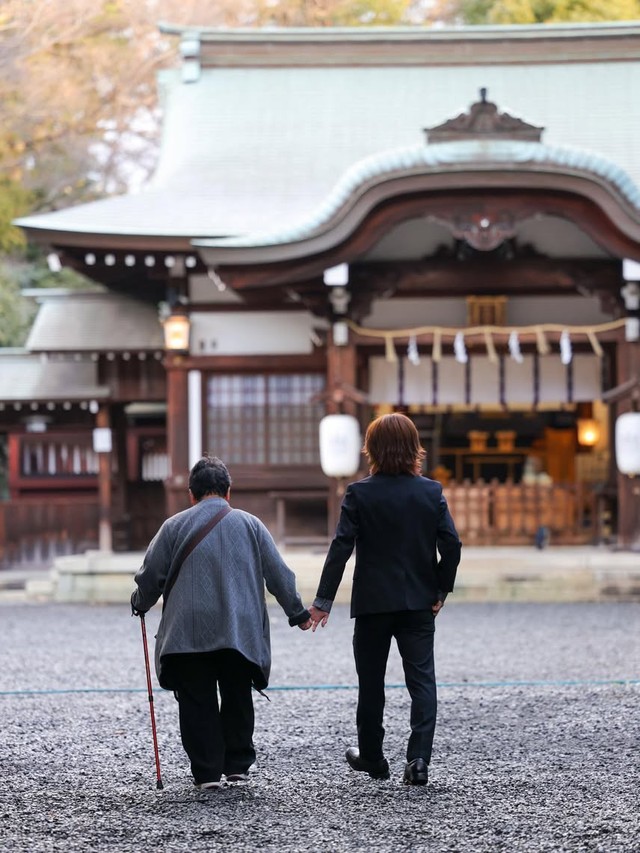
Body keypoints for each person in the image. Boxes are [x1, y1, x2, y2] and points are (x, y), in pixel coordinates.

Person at [131, 455, 312, 790]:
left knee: (197, 698)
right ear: (229, 492)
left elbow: (150, 576)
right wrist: (297, 613)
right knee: (236, 692)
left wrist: (140, 602)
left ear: (191, 494)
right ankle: (237, 766)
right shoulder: (251, 525)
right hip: (237, 628)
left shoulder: (173, 527)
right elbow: (279, 574)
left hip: (188, 629)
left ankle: (207, 773)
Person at [309, 413, 461, 786]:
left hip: (373, 603)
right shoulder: (430, 492)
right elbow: (452, 545)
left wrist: (323, 601)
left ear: (372, 449)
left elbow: (341, 547)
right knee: (422, 681)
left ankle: (373, 758)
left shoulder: (360, 493)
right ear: (414, 448)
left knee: (371, 682)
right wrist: (440, 589)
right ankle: (418, 760)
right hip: (418, 602)